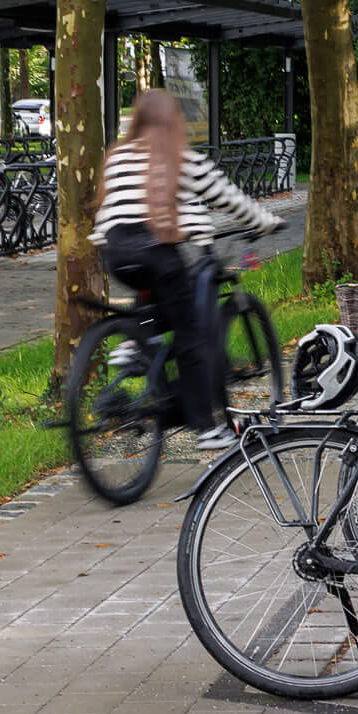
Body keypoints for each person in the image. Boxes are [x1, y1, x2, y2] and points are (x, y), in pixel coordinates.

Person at [91, 87, 285, 452]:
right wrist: (266, 222)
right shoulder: (180, 156)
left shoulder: (117, 157)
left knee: (153, 298)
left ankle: (134, 341)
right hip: (160, 250)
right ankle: (207, 429)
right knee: (193, 336)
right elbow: (228, 197)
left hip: (117, 251)